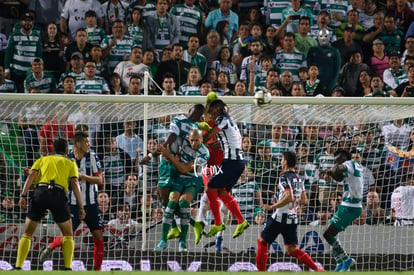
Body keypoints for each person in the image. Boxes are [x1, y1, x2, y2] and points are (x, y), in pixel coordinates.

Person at [15, 138, 85, 270]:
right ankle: (67, 268)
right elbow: (75, 183)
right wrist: (81, 207)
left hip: (40, 193)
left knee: (27, 233)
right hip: (58, 195)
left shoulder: (43, 159)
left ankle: (18, 267)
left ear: (53, 149)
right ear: (66, 150)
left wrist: (23, 195)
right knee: (68, 234)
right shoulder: (70, 163)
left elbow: (32, 176)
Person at [39, 131, 104, 271]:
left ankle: (97, 271)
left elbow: (100, 180)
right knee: (67, 236)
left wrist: (82, 176)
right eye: (86, 142)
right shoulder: (67, 159)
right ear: (78, 144)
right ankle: (51, 247)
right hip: (72, 204)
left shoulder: (92, 157)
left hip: (91, 204)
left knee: (98, 236)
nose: (89, 144)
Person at [256, 151, 323, 272]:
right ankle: (317, 269)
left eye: (282, 160)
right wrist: (292, 206)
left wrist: (271, 207)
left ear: (285, 162)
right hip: (292, 218)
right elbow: (304, 200)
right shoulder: (298, 178)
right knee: (291, 250)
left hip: (279, 217)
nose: (281, 162)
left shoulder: (283, 177)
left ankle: (261, 272)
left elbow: (289, 196)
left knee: (262, 241)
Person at [198, 99, 249, 239]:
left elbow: (209, 136)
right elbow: (222, 141)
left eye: (211, 110)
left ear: (218, 108)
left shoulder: (222, 118)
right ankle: (241, 221)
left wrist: (199, 134)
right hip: (237, 161)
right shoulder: (228, 120)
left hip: (231, 161)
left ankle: (218, 223)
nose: (210, 113)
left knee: (210, 189)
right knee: (221, 192)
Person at [154, 129, 209, 252]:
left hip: (193, 179)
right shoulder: (183, 141)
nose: (194, 143)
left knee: (183, 202)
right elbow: (173, 152)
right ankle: (162, 241)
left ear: (202, 140)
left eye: (197, 140)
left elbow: (185, 169)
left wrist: (170, 157)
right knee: (171, 201)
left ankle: (182, 243)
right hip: (179, 177)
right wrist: (170, 156)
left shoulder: (204, 154)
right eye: (192, 140)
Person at [322, 149, 363, 272]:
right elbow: (339, 177)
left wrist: (330, 171)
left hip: (350, 207)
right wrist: (330, 175)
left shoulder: (350, 163)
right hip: (348, 206)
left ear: (344, 158)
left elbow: (337, 170)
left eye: (337, 160)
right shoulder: (352, 167)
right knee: (329, 234)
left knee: (328, 234)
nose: (336, 163)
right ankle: (340, 262)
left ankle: (346, 259)